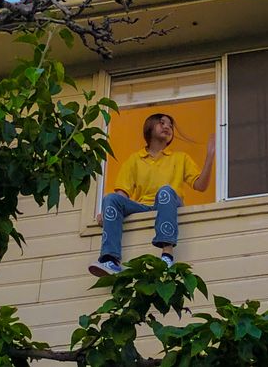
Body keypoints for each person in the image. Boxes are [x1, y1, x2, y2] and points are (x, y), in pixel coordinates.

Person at [88, 113, 215, 277]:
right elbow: (121, 195)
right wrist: (109, 213)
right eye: (162, 123)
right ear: (149, 127)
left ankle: (167, 255)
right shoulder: (135, 160)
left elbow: (201, 185)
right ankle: (110, 260)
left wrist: (210, 156)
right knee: (110, 198)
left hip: (169, 203)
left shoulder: (180, 158)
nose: (167, 127)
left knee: (166, 191)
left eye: (170, 125)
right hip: (143, 208)